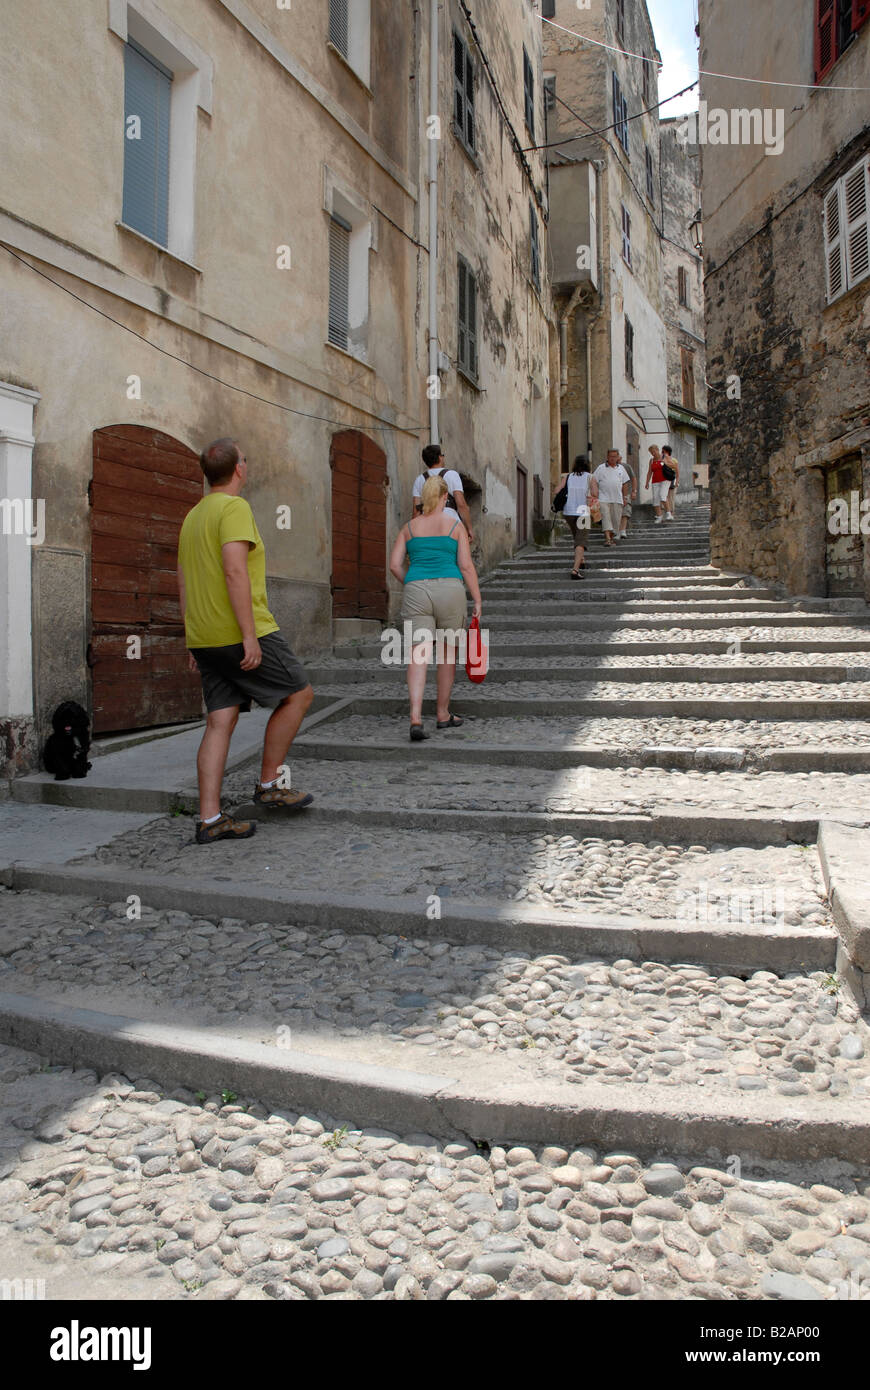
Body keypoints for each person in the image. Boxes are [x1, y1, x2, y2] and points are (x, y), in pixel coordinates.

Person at [177, 438, 315, 844]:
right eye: (246, 460)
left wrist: (191, 638)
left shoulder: (192, 516)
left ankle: (210, 819)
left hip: (205, 636)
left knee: (221, 719)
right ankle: (270, 784)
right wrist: (249, 636)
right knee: (300, 694)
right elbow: (235, 572)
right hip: (240, 629)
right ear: (239, 468)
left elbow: (183, 578)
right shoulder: (234, 508)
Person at [389, 475, 482, 742]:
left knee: (418, 655)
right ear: (444, 497)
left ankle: (416, 718)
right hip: (450, 590)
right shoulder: (455, 526)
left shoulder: (409, 527)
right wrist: (477, 598)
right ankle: (442, 714)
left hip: (416, 590)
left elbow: (394, 565)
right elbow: (465, 566)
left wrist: (411, 580)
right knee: (446, 654)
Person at [413, 444, 474, 541]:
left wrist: (415, 531)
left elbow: (416, 510)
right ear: (440, 457)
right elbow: (461, 504)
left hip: (427, 526)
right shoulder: (452, 475)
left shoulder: (419, 480)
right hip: (450, 524)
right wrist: (469, 528)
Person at [555, 455, 598, 578]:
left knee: (577, 536)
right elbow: (595, 493)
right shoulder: (590, 477)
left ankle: (582, 559)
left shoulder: (567, 476)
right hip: (583, 511)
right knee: (581, 540)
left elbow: (557, 490)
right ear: (587, 465)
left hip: (568, 512)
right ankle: (575, 569)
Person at [592, 449, 631, 547]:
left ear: (618, 457)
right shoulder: (601, 468)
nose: (612, 458)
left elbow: (625, 483)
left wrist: (625, 497)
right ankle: (607, 539)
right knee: (606, 518)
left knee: (616, 521)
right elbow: (593, 481)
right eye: (610, 456)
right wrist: (595, 494)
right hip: (603, 498)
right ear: (607, 457)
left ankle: (611, 538)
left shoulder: (621, 468)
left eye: (614, 456)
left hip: (617, 498)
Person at [645, 444, 670, 524]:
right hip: (655, 481)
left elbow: (672, 467)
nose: (653, 453)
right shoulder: (651, 460)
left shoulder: (664, 458)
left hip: (665, 480)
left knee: (662, 496)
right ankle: (659, 516)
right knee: (655, 499)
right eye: (651, 452)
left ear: (657, 450)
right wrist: (647, 482)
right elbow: (649, 472)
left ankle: (668, 513)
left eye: (654, 451)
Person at [619, 456, 638, 539]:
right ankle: (617, 530)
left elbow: (633, 479)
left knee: (626, 511)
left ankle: (623, 530)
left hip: (626, 493)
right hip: (613, 494)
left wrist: (634, 491)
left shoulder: (626, 467)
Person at [662, 445, 680, 519]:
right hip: (663, 481)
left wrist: (677, 482)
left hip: (672, 481)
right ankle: (666, 512)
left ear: (666, 451)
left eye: (663, 451)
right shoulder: (661, 459)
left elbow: (677, 472)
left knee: (671, 497)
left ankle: (671, 512)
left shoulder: (673, 460)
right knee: (664, 496)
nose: (662, 452)